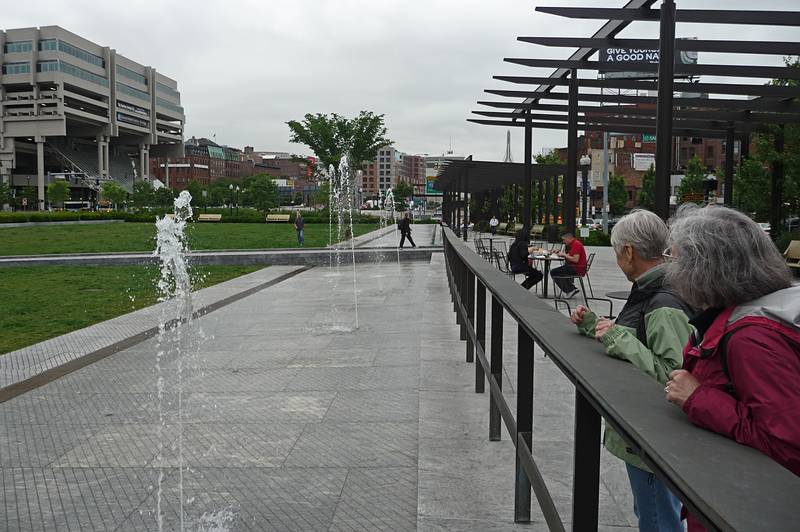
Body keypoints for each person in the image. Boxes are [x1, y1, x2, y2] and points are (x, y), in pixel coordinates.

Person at [662, 205, 800, 531]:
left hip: (752, 507)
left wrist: (698, 399)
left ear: (703, 269)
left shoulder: (752, 338)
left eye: (676, 258)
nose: (671, 267)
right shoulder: (752, 312)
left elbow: (789, 446)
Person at [570, 209, 693, 532]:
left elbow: (675, 376)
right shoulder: (656, 289)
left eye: (616, 252)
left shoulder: (663, 303)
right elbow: (638, 337)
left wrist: (615, 335)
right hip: (650, 432)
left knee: (656, 516)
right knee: (653, 509)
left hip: (653, 437)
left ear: (629, 252)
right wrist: (596, 326)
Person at [551, 231, 587, 299]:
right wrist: (560, 253)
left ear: (569, 238)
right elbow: (570, 256)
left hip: (577, 268)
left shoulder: (576, 244)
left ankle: (570, 290)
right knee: (557, 271)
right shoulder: (574, 244)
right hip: (574, 267)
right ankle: (571, 289)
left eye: (564, 239)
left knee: (554, 272)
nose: (564, 242)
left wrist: (564, 255)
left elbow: (575, 260)